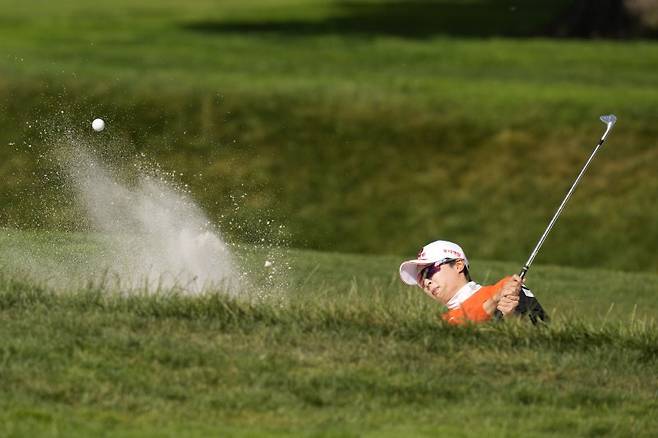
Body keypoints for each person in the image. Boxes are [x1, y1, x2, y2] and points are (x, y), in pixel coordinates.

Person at [399, 240, 547, 325]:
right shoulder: (441, 322)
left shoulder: (506, 287)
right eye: (420, 278)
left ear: (458, 265)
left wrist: (512, 317)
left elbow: (543, 333)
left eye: (430, 271)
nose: (426, 282)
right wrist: (493, 303)